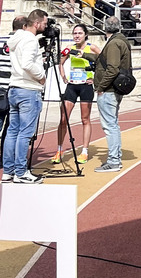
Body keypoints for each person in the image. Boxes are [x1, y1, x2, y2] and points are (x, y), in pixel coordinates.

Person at [1, 9, 49, 183]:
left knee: (12, 131)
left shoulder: (16, 39)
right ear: (36, 23)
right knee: (25, 133)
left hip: (14, 87)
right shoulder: (29, 39)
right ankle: (21, 172)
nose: (45, 27)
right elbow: (28, 64)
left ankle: (8, 171)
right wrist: (41, 76)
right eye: (44, 23)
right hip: (28, 89)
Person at [0, 15, 27, 173]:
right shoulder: (21, 42)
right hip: (12, 87)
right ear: (23, 27)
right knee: (11, 126)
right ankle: (5, 158)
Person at [54, 23, 100, 163]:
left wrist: (95, 78)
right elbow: (60, 62)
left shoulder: (91, 47)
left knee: (84, 119)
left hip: (86, 86)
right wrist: (63, 77)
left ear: (85, 34)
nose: (77, 36)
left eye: (79, 33)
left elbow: (104, 61)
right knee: (63, 119)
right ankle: (59, 150)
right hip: (72, 86)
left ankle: (84, 151)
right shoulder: (69, 48)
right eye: (75, 33)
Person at [94, 17, 134, 173]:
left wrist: (101, 87)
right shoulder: (121, 41)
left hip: (109, 90)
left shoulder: (114, 44)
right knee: (113, 124)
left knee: (110, 126)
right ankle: (115, 157)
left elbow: (112, 69)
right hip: (114, 89)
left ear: (106, 28)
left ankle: (113, 160)